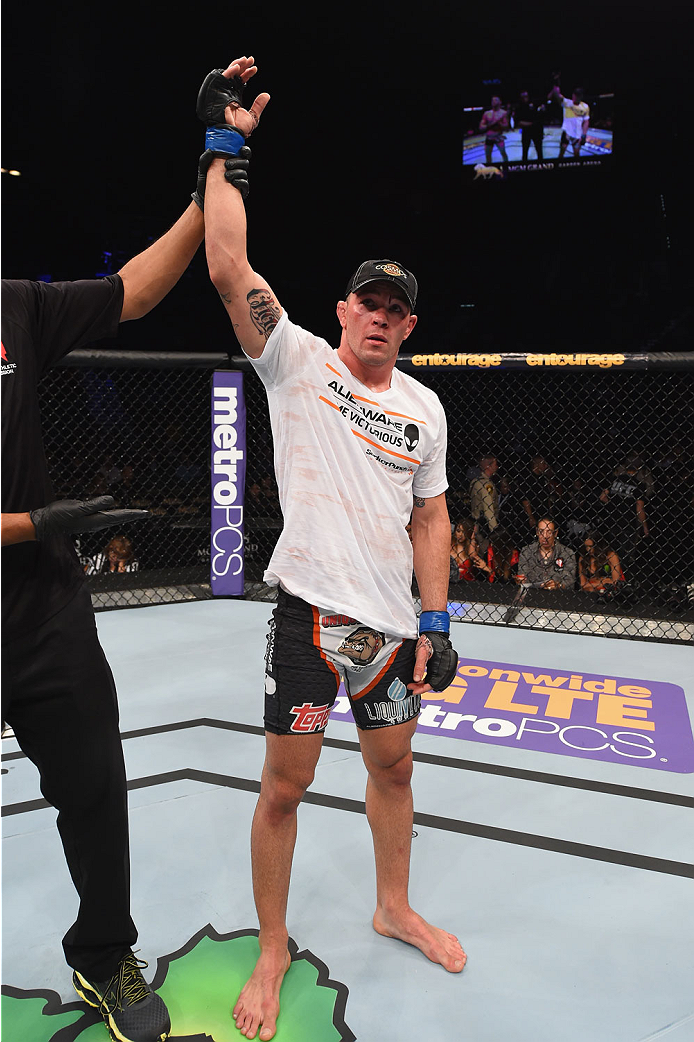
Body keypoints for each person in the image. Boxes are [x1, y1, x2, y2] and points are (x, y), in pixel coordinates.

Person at [201, 55, 465, 1042]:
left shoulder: (425, 407)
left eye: (400, 310)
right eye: (371, 304)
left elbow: (431, 516)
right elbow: (229, 267)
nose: (384, 320)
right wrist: (224, 150)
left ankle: (391, 904)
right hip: (308, 617)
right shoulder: (299, 362)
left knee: (392, 770)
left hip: (390, 630)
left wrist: (436, 618)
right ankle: (272, 947)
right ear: (346, 308)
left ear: (408, 324)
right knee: (286, 785)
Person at [1, 150, 206, 1039]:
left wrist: (210, 187)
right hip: (35, 551)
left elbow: (134, 291)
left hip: (45, 611)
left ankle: (101, 956)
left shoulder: (14, 306)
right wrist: (34, 521)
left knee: (94, 786)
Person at [516, 517, 576, 590]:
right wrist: (521, 580)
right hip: (532, 593)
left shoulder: (567, 553)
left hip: (558, 595)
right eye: (541, 531)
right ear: (537, 532)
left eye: (549, 532)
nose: (545, 536)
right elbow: (523, 576)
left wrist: (558, 585)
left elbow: (570, 582)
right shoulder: (527, 551)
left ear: (555, 533)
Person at [548, 84, 590, 159]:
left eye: (578, 95)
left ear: (581, 96)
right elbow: (556, 94)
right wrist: (556, 83)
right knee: (561, 154)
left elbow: (586, 122)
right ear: (573, 95)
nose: (576, 97)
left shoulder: (585, 107)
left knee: (577, 154)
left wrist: (584, 135)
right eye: (575, 95)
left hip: (577, 135)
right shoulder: (567, 102)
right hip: (566, 133)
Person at [469, 454, 500, 550]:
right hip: (484, 528)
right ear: (488, 466)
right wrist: (495, 532)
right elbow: (488, 509)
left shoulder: (475, 481)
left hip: (476, 523)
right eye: (495, 464)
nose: (497, 467)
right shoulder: (486, 485)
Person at [479, 96, 510, 168]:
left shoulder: (503, 113)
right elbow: (481, 127)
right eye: (492, 100)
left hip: (498, 137)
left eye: (496, 100)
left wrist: (499, 124)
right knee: (488, 156)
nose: (493, 102)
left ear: (500, 102)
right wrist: (491, 124)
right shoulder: (487, 113)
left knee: (503, 153)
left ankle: (507, 167)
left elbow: (506, 126)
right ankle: (489, 170)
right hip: (489, 137)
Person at [514, 90, 544, 161]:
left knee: (539, 151)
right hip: (526, 132)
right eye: (523, 96)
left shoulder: (535, 103)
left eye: (526, 96)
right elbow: (519, 122)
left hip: (537, 131)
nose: (525, 98)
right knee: (525, 152)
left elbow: (541, 115)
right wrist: (532, 124)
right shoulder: (519, 107)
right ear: (520, 97)